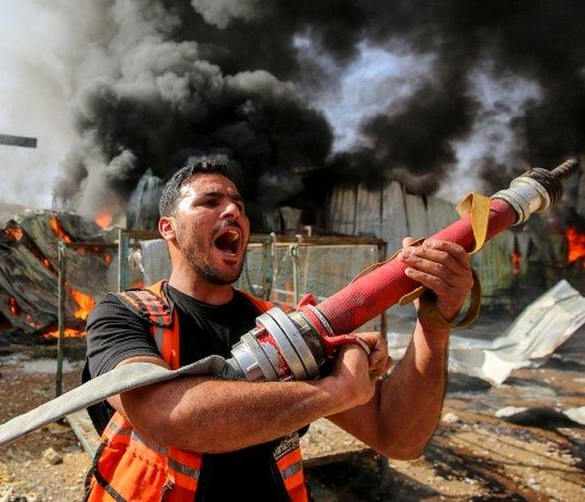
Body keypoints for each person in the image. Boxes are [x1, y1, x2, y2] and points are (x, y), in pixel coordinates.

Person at [83, 160, 474, 501]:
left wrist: (435, 322)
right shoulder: (124, 314)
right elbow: (166, 414)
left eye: (239, 204)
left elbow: (398, 438)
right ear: (168, 228)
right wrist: (332, 391)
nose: (233, 210)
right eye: (210, 201)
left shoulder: (283, 327)